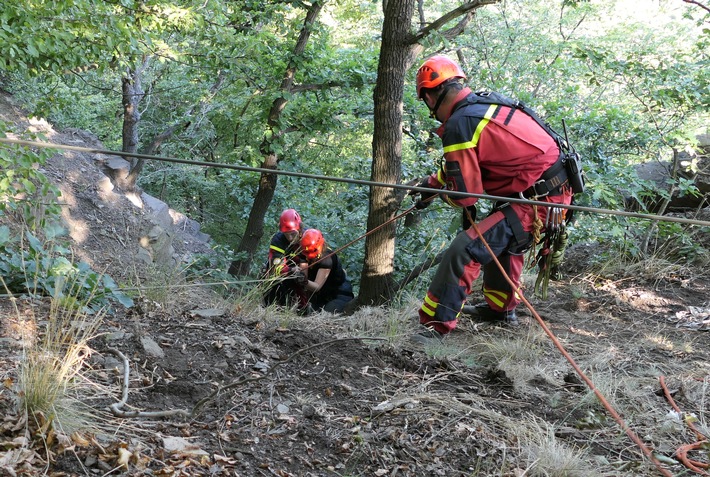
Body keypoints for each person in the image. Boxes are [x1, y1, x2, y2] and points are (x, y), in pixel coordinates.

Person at [410, 55, 574, 342]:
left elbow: (464, 195)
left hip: (539, 201)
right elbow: (465, 163)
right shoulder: (480, 106)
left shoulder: (460, 123)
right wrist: (431, 185)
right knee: (503, 243)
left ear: (432, 95)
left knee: (465, 248)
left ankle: (435, 326)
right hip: (549, 192)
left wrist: (441, 193)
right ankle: (501, 309)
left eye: (425, 100)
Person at [296, 229, 354, 314]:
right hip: (321, 296)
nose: (308, 256)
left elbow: (316, 287)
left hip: (338, 294)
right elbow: (304, 278)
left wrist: (304, 281)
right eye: (306, 253)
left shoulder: (327, 259)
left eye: (312, 253)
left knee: (326, 314)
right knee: (305, 312)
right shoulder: (304, 252)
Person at [262, 208, 309, 309]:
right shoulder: (278, 240)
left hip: (303, 273)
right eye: (286, 234)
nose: (290, 238)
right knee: (274, 284)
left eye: (293, 234)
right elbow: (276, 267)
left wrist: (303, 273)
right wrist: (292, 270)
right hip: (283, 274)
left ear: (300, 229)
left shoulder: (307, 238)